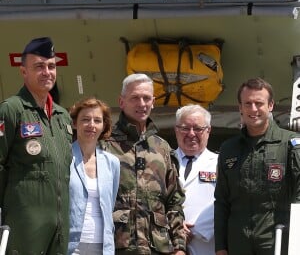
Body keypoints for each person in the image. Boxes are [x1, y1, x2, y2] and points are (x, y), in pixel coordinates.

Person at [0, 37, 73, 254]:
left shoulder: (63, 116)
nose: (47, 72)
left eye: (51, 66)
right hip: (24, 224)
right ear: (24, 72)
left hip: (59, 225)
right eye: (39, 67)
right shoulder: (11, 110)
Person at [100, 73, 186, 255]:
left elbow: (174, 201)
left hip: (157, 248)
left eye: (146, 98)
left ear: (153, 102)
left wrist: (179, 247)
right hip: (117, 248)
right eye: (135, 98)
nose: (142, 103)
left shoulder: (161, 148)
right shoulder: (104, 145)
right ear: (121, 102)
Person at [214, 77, 300, 255]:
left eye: (259, 103)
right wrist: (220, 247)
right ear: (240, 108)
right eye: (248, 103)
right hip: (238, 243)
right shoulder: (229, 149)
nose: (253, 109)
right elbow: (222, 201)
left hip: (278, 242)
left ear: (270, 106)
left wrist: (295, 243)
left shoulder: (291, 145)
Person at [68, 97, 120, 255]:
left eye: (97, 120)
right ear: (75, 124)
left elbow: (110, 204)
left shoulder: (112, 163)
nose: (91, 125)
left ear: (103, 126)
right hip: (71, 246)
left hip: (103, 246)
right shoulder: (63, 158)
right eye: (85, 119)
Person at [175, 104, 218, 255]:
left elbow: (225, 202)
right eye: (185, 128)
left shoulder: (221, 163)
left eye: (198, 129)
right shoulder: (163, 161)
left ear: (208, 130)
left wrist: (198, 230)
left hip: (206, 244)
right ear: (176, 130)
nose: (191, 134)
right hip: (170, 244)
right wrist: (175, 228)